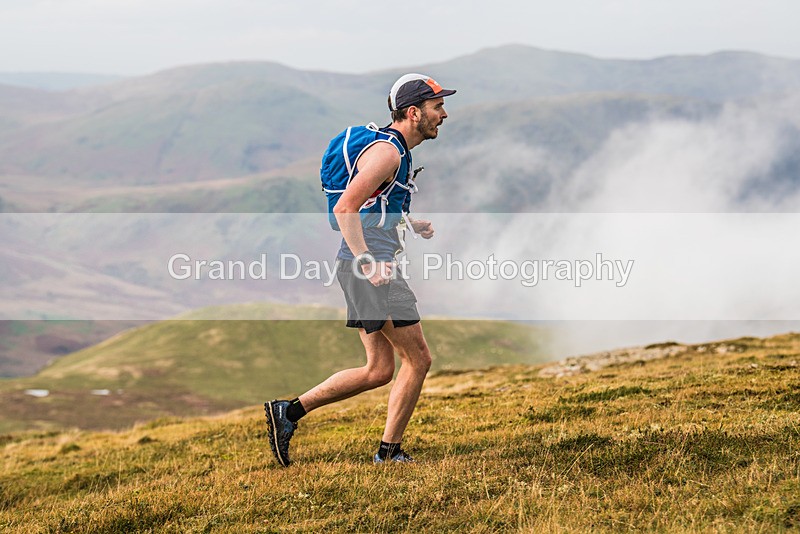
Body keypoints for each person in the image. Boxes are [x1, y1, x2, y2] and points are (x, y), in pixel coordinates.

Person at [265, 73, 456, 466]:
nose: (444, 114)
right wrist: (368, 260)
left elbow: (373, 206)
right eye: (438, 107)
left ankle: (288, 413)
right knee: (418, 360)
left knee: (379, 369)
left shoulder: (396, 150)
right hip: (368, 269)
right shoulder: (388, 153)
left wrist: (408, 223)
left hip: (361, 266)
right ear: (414, 112)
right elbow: (345, 207)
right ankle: (389, 453)